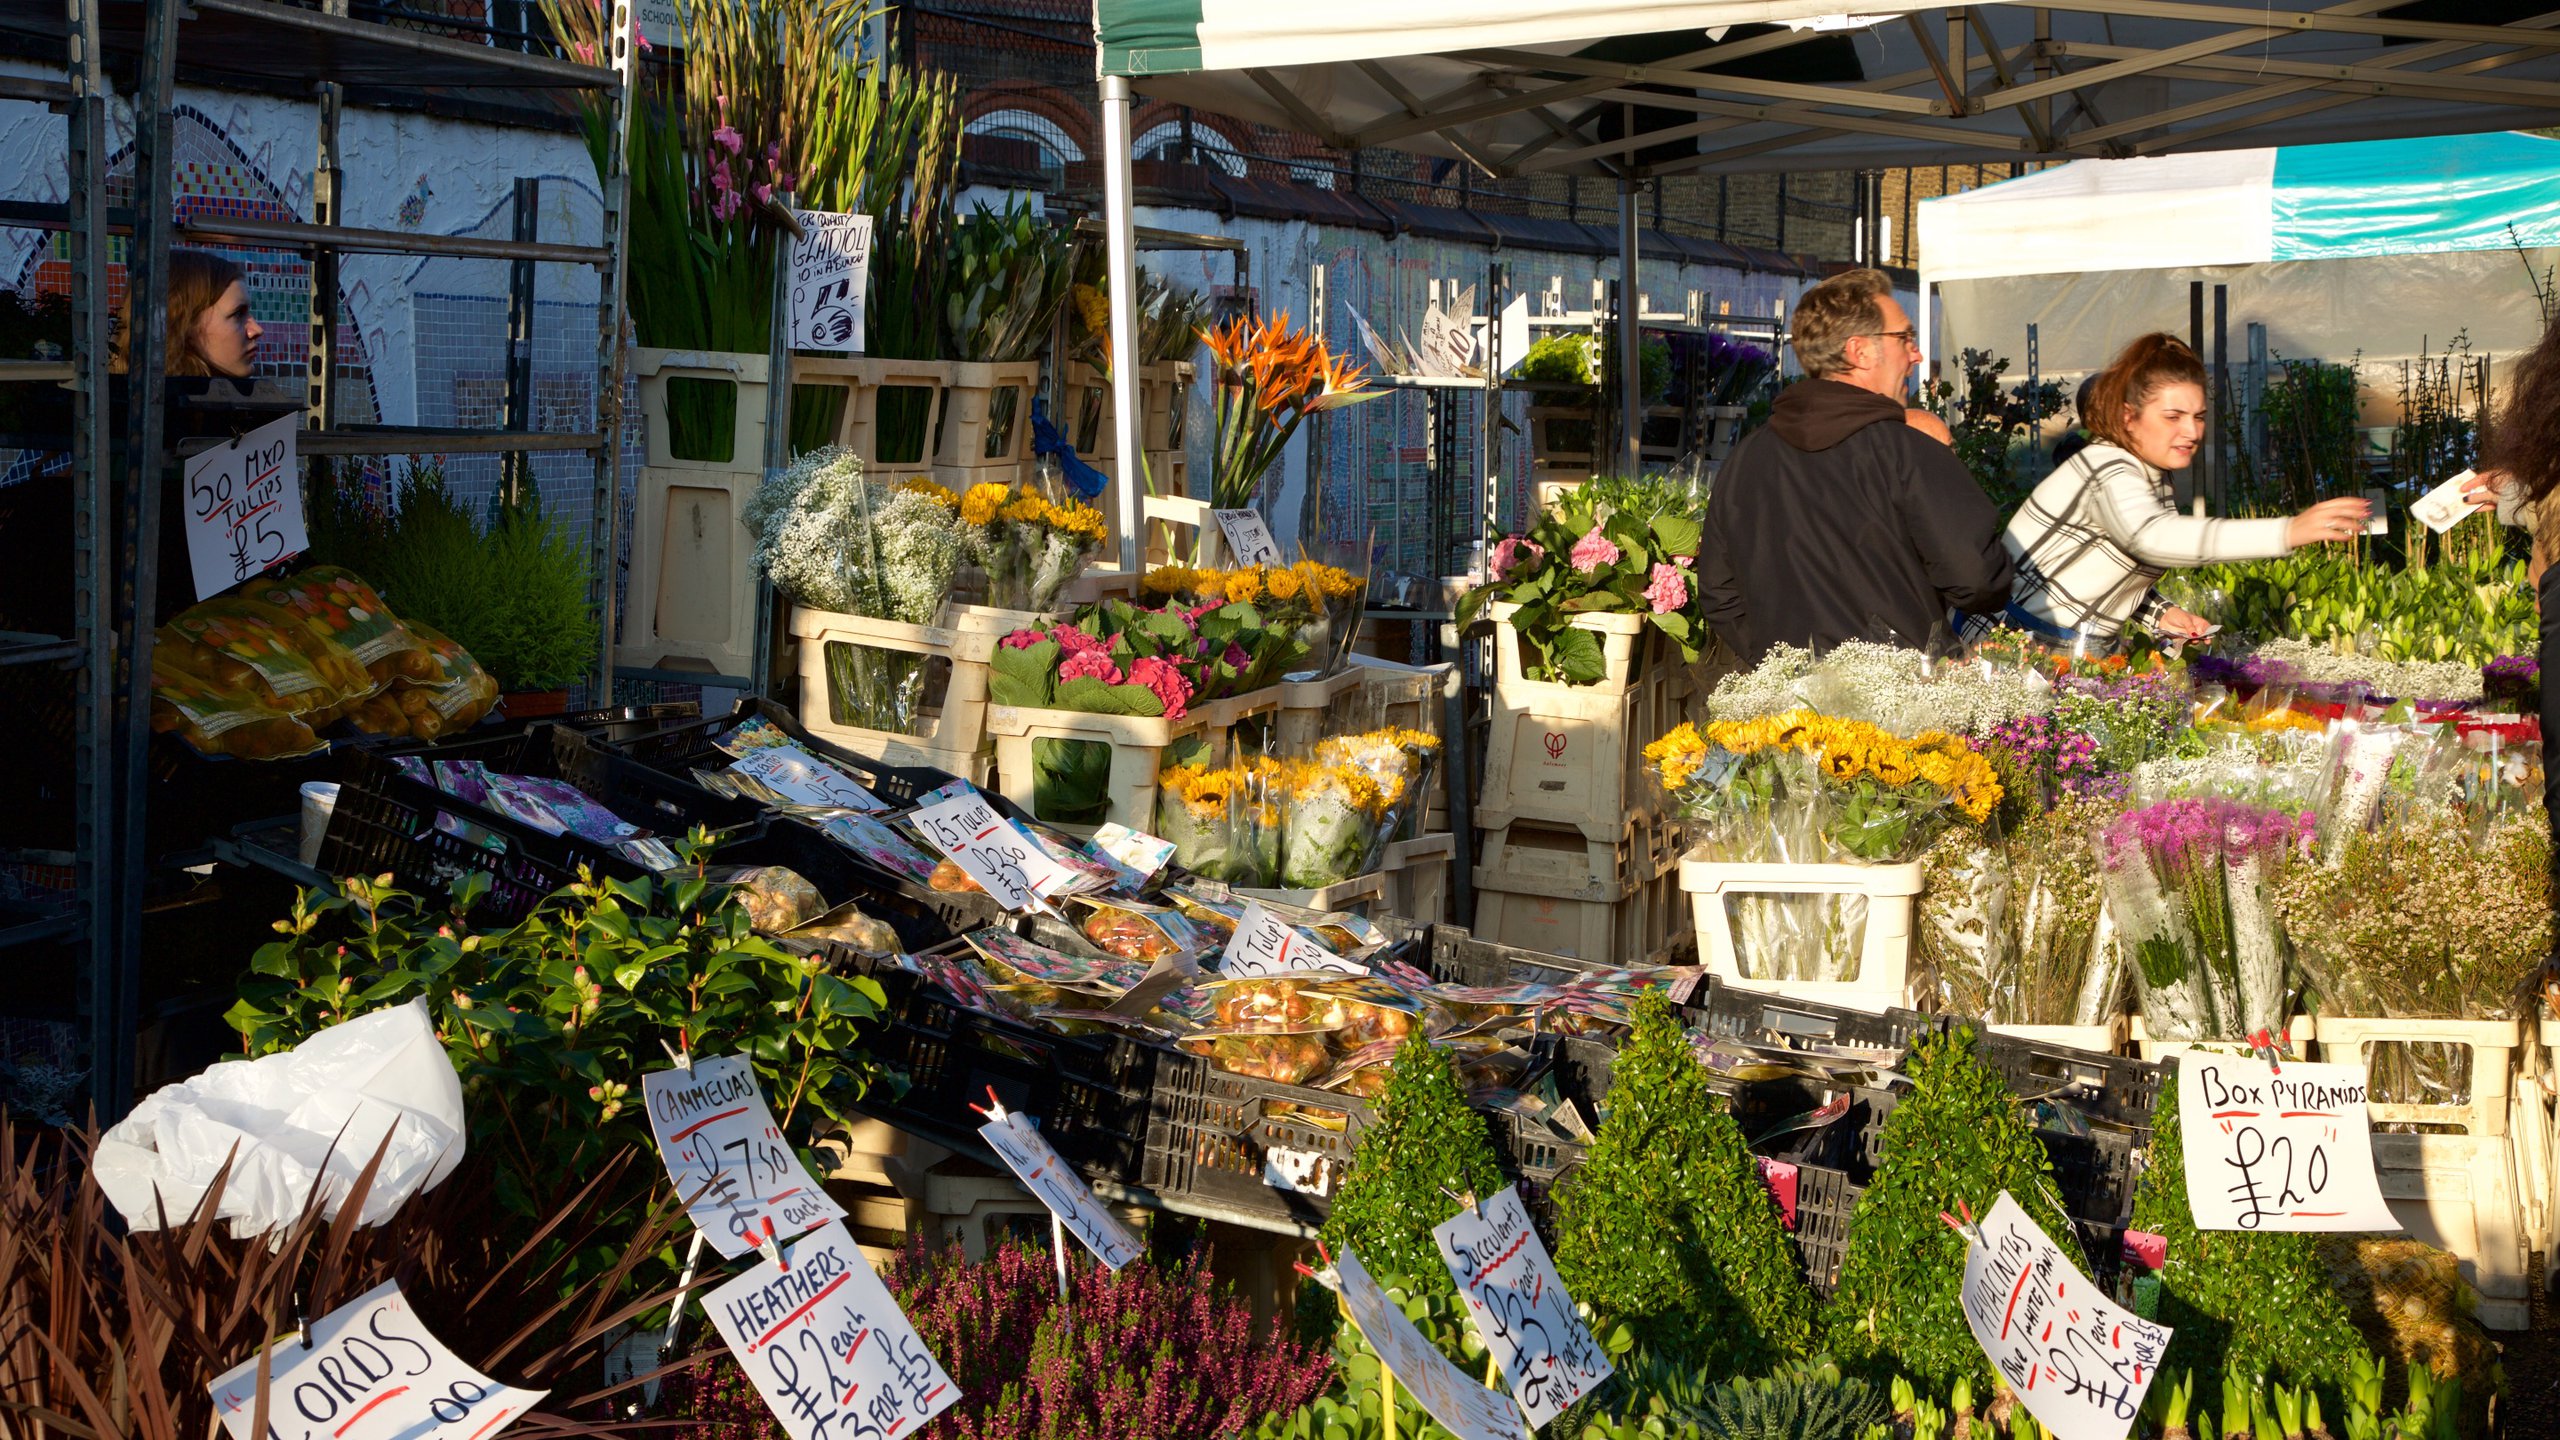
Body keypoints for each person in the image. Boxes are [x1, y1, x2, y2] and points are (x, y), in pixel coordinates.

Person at [1696, 268, 2011, 665]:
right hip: (1903, 711)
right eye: (1905, 338)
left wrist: (1787, 666)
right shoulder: (1907, 453)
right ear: (1859, 351)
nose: (1916, 354)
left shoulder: (1746, 459)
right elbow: (1978, 579)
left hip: (1788, 712)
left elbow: (1719, 596)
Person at [1979, 333, 2369, 646]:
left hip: (2065, 649)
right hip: (2008, 647)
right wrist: (2287, 531)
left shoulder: (2150, 470)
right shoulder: (2107, 468)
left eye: (2198, 416)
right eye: (2173, 416)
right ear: (2128, 417)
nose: (2192, 431)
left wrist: (2158, 612)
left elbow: (2109, 559)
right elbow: (2150, 537)